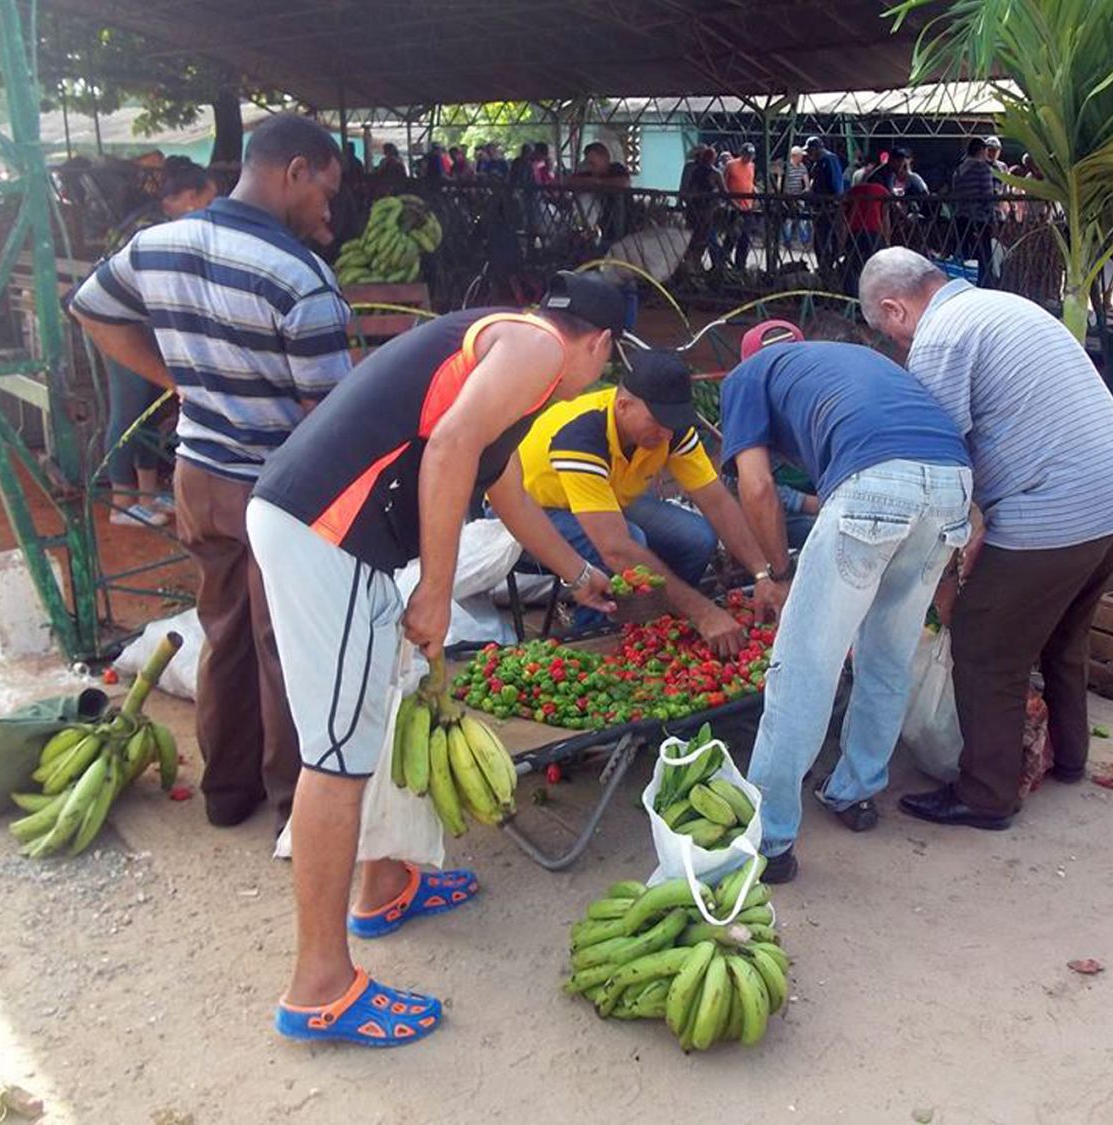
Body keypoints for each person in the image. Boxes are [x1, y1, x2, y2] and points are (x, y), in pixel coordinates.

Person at [246, 271, 621, 1047]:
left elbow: (508, 495)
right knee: (338, 754)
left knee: (384, 716)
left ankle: (386, 883)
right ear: (601, 343)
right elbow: (449, 444)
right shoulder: (540, 351)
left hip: (331, 534)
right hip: (329, 535)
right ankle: (319, 985)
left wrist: (581, 576)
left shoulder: (505, 347)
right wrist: (438, 591)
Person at [69, 113, 351, 832]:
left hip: (198, 478)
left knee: (224, 630)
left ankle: (227, 795)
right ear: (296, 170)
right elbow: (328, 421)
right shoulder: (302, 278)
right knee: (285, 645)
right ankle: (296, 809)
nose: (329, 207)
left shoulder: (155, 246)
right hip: (280, 490)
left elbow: (92, 310)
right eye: (327, 187)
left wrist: (177, 380)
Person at [860, 247, 1113, 830]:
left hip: (1056, 508)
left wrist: (934, 565)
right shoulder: (999, 306)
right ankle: (1068, 757)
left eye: (889, 334)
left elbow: (940, 459)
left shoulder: (940, 338)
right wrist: (982, 524)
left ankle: (986, 794)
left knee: (983, 644)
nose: (899, 348)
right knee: (1062, 632)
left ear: (894, 309)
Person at [720, 329, 972, 884]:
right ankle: (856, 794)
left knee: (806, 664)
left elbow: (756, 486)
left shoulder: (748, 376)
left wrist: (778, 574)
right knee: (888, 653)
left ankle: (771, 838)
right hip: (954, 486)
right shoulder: (852, 359)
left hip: (877, 485)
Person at [517, 350, 779, 653]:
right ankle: (594, 642)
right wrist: (704, 611)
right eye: (657, 421)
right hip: (533, 511)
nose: (666, 432)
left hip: (606, 498)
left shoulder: (671, 432)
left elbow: (717, 502)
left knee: (696, 537)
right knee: (628, 544)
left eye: (673, 421)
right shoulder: (581, 434)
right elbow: (615, 548)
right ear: (624, 406)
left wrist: (763, 573)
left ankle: (658, 625)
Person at [101, 159, 218, 528]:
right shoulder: (150, 230)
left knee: (151, 407)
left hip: (149, 330)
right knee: (128, 408)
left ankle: (147, 498)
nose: (210, 211)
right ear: (187, 197)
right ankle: (122, 500)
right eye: (208, 201)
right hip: (123, 330)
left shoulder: (158, 223)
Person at [953, 137, 1000, 287]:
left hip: (961, 217)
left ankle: (965, 285)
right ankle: (983, 287)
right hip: (978, 219)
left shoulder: (959, 170)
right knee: (984, 258)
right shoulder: (982, 168)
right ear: (981, 150)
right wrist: (992, 218)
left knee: (965, 256)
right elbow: (987, 196)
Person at [566, 141, 632, 244]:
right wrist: (588, 182)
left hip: (622, 222)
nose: (591, 167)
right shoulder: (590, 173)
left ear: (605, 158)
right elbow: (570, 181)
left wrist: (599, 183)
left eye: (593, 163)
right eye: (588, 164)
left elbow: (624, 183)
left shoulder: (616, 169)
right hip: (601, 224)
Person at [683, 145, 727, 272]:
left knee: (695, 238)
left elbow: (687, 188)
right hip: (706, 211)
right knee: (704, 238)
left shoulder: (693, 169)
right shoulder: (714, 173)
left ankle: (694, 264)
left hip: (695, 209)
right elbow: (725, 192)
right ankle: (705, 264)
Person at [804, 136, 844, 274]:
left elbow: (836, 184)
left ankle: (827, 267)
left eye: (810, 150)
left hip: (828, 207)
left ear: (816, 149)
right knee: (820, 239)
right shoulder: (819, 162)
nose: (808, 154)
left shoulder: (829, 159)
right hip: (820, 206)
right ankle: (824, 267)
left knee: (824, 239)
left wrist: (834, 201)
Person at [723, 143, 759, 271]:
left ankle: (740, 266)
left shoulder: (751, 166)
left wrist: (755, 191)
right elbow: (724, 185)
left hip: (747, 207)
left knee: (745, 237)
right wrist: (732, 202)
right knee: (732, 236)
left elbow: (749, 182)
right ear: (741, 153)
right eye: (747, 155)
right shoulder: (731, 165)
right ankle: (723, 261)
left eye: (751, 156)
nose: (749, 158)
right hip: (734, 207)